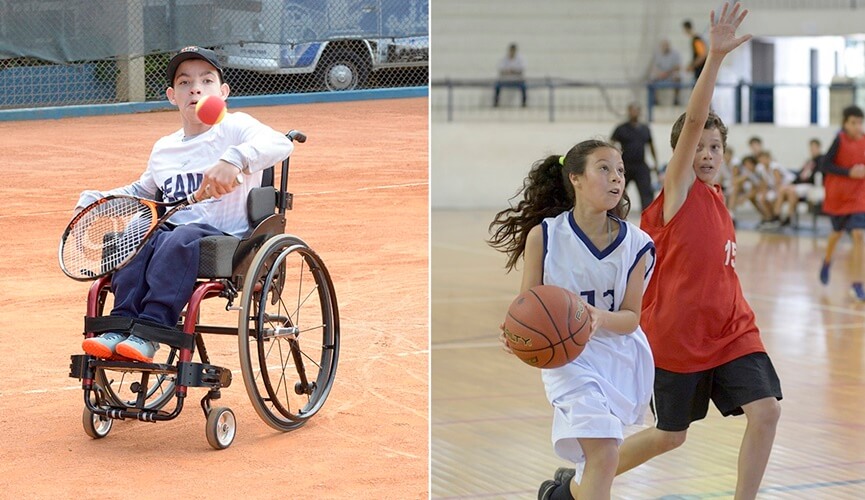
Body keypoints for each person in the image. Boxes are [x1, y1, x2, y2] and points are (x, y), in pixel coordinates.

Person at [544, 4, 783, 499]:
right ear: (682, 154)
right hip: (676, 339)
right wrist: (714, 58)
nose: (707, 154)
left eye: (716, 147)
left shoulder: (719, 198)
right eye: (699, 147)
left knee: (767, 410)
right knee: (670, 436)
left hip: (731, 330)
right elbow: (694, 119)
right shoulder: (678, 193)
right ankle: (575, 489)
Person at [76, 46, 294, 362]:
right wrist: (99, 201)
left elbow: (280, 143)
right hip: (174, 233)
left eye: (206, 81)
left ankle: (152, 330)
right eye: (184, 82)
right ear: (171, 96)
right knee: (140, 234)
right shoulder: (164, 147)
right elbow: (143, 192)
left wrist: (234, 159)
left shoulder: (235, 128)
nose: (195, 89)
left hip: (227, 237)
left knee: (179, 237)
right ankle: (120, 326)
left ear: (223, 92)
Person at [488, 140, 656, 500]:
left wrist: (600, 318)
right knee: (604, 453)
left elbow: (631, 318)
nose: (617, 178)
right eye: (604, 168)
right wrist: (515, 333)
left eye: (620, 171)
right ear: (575, 178)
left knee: (602, 461)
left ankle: (561, 495)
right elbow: (526, 305)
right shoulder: (545, 236)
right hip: (568, 362)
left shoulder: (637, 243)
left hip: (617, 359)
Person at [818, 105, 865, 295]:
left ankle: (857, 284)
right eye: (853, 123)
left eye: (860, 122)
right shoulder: (839, 140)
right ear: (845, 124)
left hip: (858, 196)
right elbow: (824, 165)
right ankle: (827, 260)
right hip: (839, 197)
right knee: (836, 234)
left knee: (858, 236)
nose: (857, 126)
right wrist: (848, 172)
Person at [611, 103, 659, 212]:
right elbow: (611, 144)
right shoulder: (621, 129)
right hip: (625, 165)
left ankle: (648, 213)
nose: (634, 113)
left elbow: (651, 146)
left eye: (636, 110)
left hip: (640, 165)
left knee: (646, 192)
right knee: (616, 189)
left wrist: (655, 163)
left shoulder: (645, 129)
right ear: (628, 111)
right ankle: (614, 212)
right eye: (632, 110)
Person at [649, 39, 682, 105]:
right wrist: (660, 73)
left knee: (677, 78)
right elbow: (655, 67)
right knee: (651, 79)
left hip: (671, 74)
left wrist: (668, 73)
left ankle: (676, 99)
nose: (665, 47)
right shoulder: (658, 54)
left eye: (666, 45)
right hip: (661, 75)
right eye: (663, 46)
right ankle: (655, 100)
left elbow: (678, 66)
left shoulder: (675, 54)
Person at [493, 43, 527, 108]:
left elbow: (521, 70)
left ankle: (524, 103)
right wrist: (508, 72)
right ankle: (496, 103)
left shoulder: (520, 59)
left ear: (515, 51)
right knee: (497, 85)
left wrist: (513, 71)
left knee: (524, 86)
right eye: (511, 50)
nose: (512, 52)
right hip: (506, 80)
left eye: (513, 51)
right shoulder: (504, 58)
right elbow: (501, 70)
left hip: (517, 80)